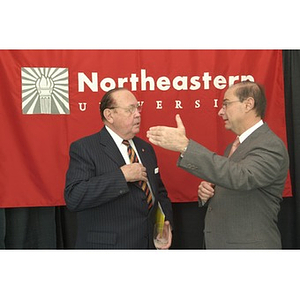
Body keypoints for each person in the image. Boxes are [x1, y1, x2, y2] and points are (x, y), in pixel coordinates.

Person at [147, 81, 289, 249]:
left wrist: (185, 147)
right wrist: (209, 193)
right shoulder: (234, 146)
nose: (220, 112)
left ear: (248, 104)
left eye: (226, 104)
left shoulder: (270, 144)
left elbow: (242, 177)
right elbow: (230, 179)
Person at [64, 87, 173, 249]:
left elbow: (159, 192)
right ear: (109, 115)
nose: (137, 114)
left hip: (148, 244)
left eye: (138, 108)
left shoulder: (146, 149)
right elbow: (74, 197)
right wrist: (121, 176)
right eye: (130, 109)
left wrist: (164, 224)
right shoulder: (85, 148)